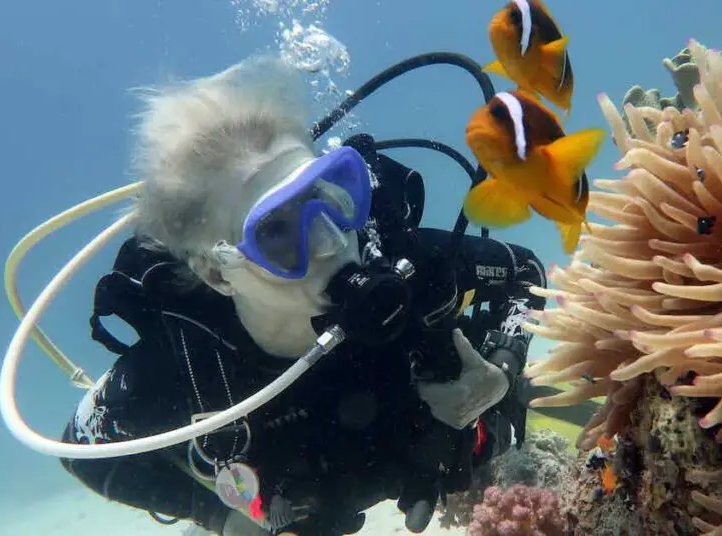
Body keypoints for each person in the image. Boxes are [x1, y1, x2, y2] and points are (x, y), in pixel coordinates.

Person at [58, 54, 547, 536]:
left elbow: (524, 273)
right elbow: (82, 451)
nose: (332, 242)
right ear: (216, 273)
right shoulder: (186, 359)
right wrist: (218, 517)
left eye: (329, 194)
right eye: (276, 231)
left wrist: (502, 368)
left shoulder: (405, 262)